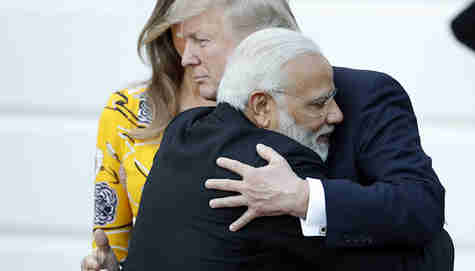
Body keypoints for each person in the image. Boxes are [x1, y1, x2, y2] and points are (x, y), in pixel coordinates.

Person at [83, 0, 454, 270]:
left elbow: (419, 203)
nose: (186, 58)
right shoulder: (168, 123)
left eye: (202, 40)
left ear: (261, 40)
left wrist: (307, 198)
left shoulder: (364, 97)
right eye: (182, 41)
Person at [126, 27, 339, 271]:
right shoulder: (280, 162)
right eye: (319, 103)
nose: (337, 115)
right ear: (261, 106)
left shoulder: (184, 129)